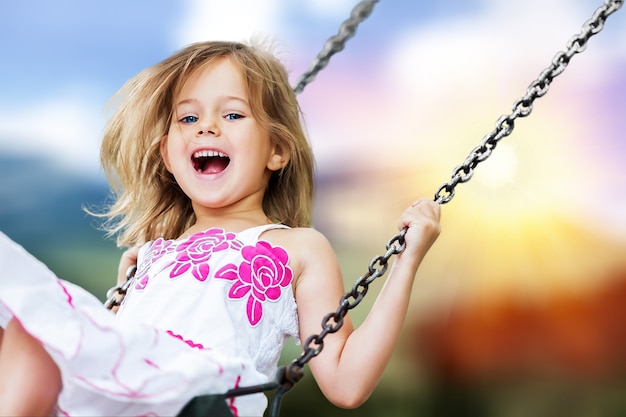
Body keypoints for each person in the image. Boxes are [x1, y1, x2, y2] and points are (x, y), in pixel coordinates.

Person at [0, 40, 441, 417]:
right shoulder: (152, 254)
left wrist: (407, 261)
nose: (207, 125)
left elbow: (346, 383)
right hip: (129, 395)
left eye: (232, 115)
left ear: (278, 151)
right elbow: (110, 355)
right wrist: (121, 298)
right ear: (168, 156)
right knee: (29, 323)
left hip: (207, 396)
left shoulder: (297, 248)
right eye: (188, 119)